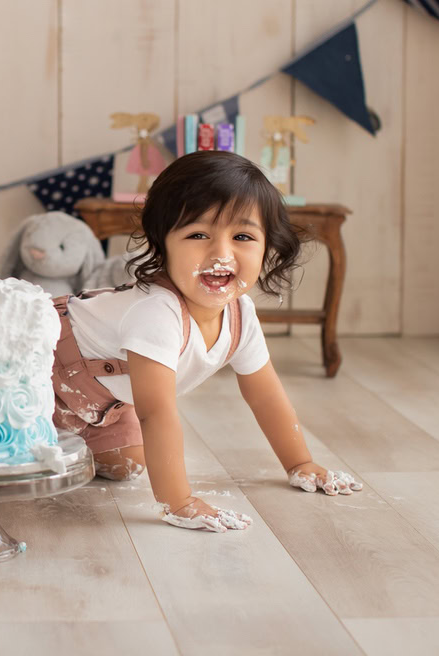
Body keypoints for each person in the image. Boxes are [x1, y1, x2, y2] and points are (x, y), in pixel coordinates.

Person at [49, 150, 363, 531]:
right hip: (41, 371)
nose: (221, 254)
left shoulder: (240, 315)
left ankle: (62, 436)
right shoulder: (155, 313)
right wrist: (178, 501)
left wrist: (300, 463)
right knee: (10, 458)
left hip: (101, 403)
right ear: (162, 242)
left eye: (243, 236)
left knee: (128, 464)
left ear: (268, 247)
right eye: (198, 235)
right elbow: (155, 412)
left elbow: (265, 396)